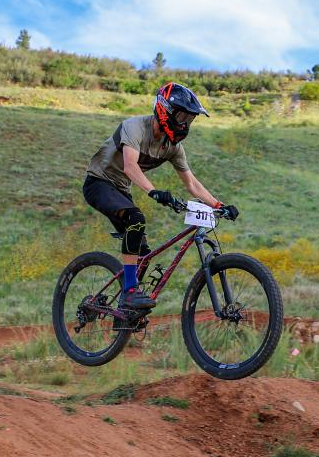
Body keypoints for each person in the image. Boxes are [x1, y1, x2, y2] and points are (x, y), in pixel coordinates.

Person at [83, 82, 237, 311]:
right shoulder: (134, 127)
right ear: (165, 110)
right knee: (136, 219)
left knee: (143, 254)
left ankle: (125, 310)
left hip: (122, 191)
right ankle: (130, 292)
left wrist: (218, 205)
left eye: (190, 119)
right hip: (98, 183)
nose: (186, 123)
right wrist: (153, 191)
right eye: (183, 116)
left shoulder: (173, 147)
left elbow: (192, 183)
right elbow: (130, 166)